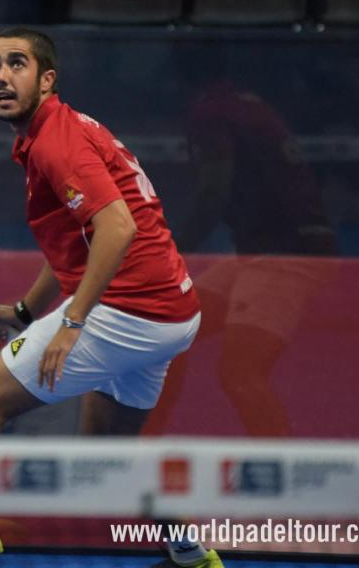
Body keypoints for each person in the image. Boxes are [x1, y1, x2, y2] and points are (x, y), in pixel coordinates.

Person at [0, 29, 221, 568]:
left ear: (47, 79)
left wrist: (71, 322)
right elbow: (81, 237)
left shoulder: (56, 143)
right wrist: (26, 311)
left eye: (17, 64)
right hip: (172, 313)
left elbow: (115, 228)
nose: (2, 76)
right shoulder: (62, 130)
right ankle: (193, 556)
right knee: (109, 449)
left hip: (131, 310)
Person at [139, 48, 337, 438]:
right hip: (260, 252)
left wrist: (167, 252)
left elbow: (214, 192)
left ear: (178, 83)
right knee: (166, 334)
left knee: (241, 372)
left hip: (286, 254)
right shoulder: (243, 104)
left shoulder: (210, 113)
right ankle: (145, 453)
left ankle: (281, 482)